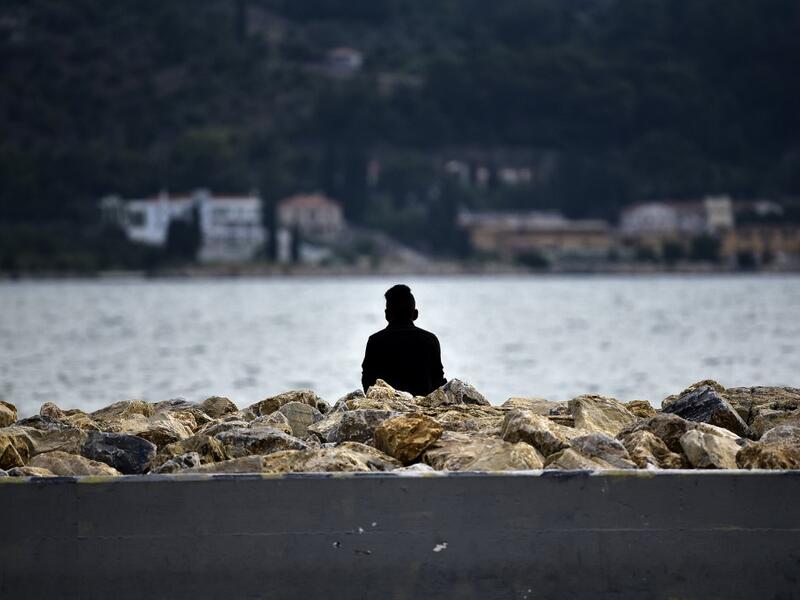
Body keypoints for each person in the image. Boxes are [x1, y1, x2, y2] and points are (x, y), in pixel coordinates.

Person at [361, 284, 446, 397]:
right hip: (422, 405)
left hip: (385, 404)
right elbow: (438, 381)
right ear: (415, 314)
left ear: (387, 314)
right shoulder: (430, 340)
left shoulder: (375, 341)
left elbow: (367, 382)